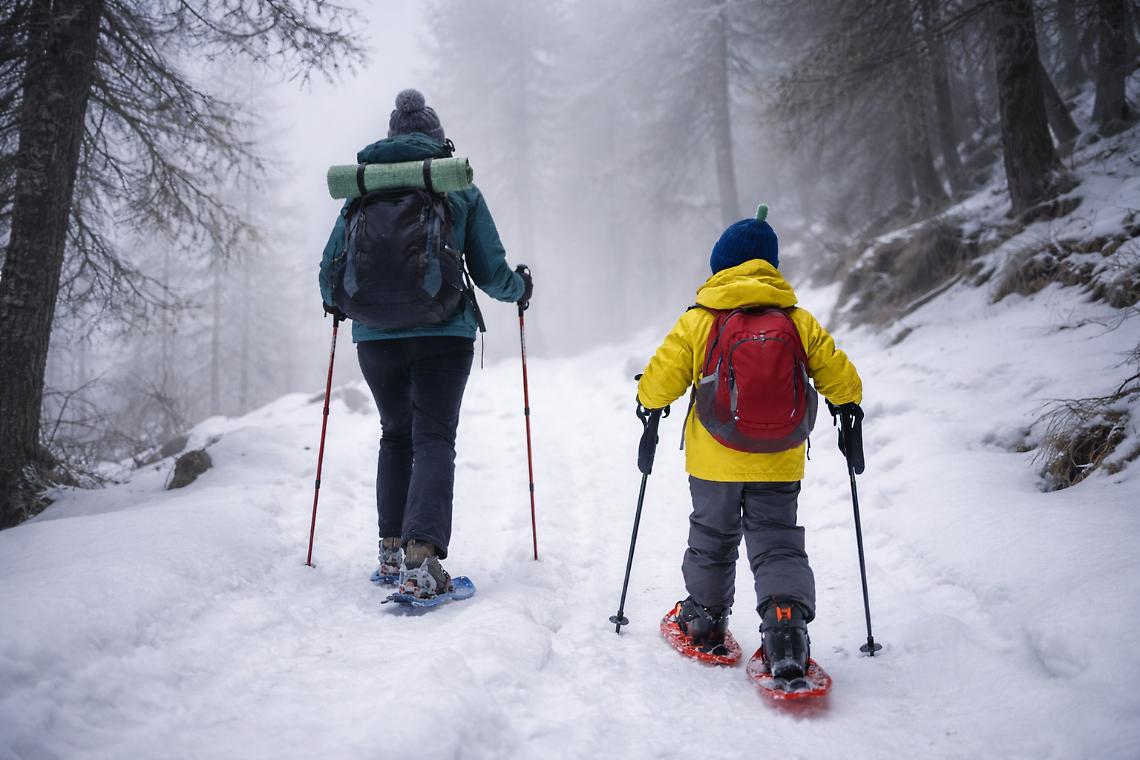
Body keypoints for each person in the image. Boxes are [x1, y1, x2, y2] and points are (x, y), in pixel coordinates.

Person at [318, 89, 533, 598]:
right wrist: (520, 288)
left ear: (392, 137)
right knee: (433, 437)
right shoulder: (455, 187)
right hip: (443, 333)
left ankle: (391, 551)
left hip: (374, 339)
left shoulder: (363, 189)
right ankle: (422, 557)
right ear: (437, 138)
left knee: (395, 434)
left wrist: (339, 304)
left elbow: (330, 270)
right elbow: (489, 270)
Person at [636, 204, 861, 679]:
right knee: (778, 542)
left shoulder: (700, 318)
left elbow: (661, 380)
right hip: (779, 457)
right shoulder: (796, 319)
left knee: (712, 539)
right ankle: (786, 629)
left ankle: (705, 621)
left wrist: (646, 398)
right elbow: (840, 375)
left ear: (721, 265)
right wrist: (847, 407)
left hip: (714, 460)